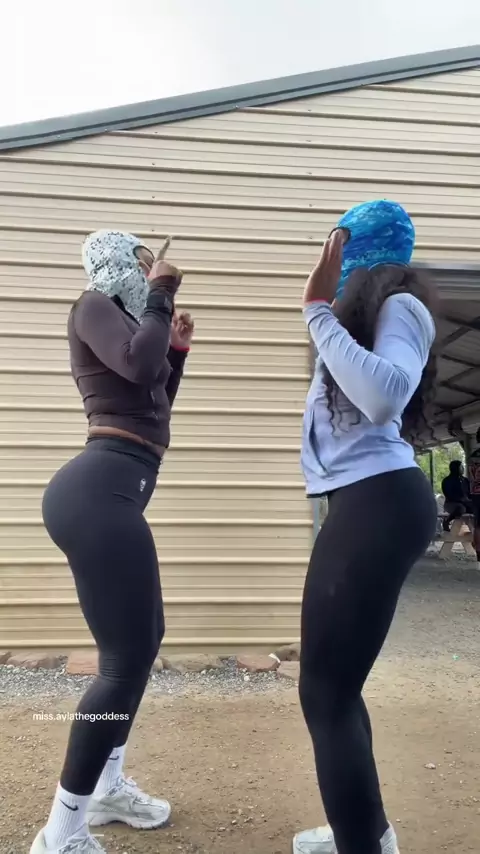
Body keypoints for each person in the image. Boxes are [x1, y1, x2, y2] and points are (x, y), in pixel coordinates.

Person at [30, 230, 194, 854]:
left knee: (142, 645)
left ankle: (106, 789)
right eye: (143, 261)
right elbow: (138, 366)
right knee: (123, 662)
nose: (151, 269)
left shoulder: (129, 321)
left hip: (114, 490)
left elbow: (154, 399)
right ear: (119, 262)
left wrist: (176, 349)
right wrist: (160, 297)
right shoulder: (93, 305)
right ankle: (62, 831)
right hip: (97, 494)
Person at [293, 201, 438, 854]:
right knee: (335, 690)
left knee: (325, 692)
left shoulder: (400, 306)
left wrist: (316, 309)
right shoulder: (366, 320)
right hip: (363, 502)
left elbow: (384, 396)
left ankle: (364, 842)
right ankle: (366, 834)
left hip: (377, 502)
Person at [441, 459, 472, 531]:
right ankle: (447, 521)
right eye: (461, 467)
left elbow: (469, 493)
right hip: (451, 504)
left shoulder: (465, 480)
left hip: (465, 503)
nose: (463, 468)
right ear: (456, 468)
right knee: (461, 508)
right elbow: (449, 495)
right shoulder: (447, 480)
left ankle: (474, 529)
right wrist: (461, 499)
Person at [466, 427, 480, 566]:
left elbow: (471, 477)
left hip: (476, 494)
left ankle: (479, 552)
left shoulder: (473, 456)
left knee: (478, 524)